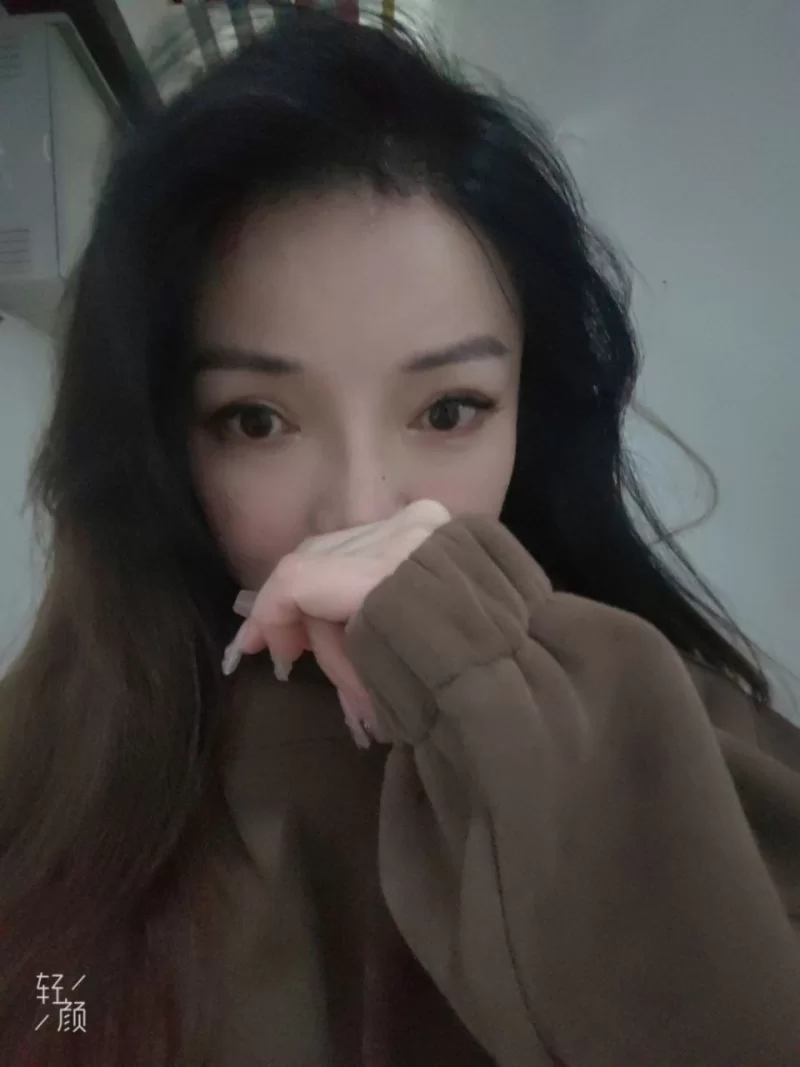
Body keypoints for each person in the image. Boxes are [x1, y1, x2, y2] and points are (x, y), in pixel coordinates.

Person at [1, 9, 798, 1067]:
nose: (361, 511)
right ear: (157, 437)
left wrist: (485, 677)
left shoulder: (662, 721)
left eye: (448, 410)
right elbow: (46, 1004)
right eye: (256, 420)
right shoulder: (57, 756)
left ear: (532, 412)